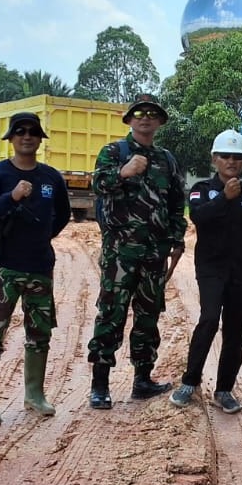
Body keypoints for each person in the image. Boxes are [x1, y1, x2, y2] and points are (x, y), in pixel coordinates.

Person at [86, 93, 187, 409]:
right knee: (111, 314)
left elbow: (175, 203)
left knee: (149, 317)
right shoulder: (114, 152)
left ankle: (142, 380)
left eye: (152, 113)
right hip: (120, 253)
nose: (145, 117)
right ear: (129, 119)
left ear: (159, 121)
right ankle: (100, 386)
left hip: (154, 254)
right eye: (139, 113)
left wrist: (177, 240)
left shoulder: (166, 159)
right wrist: (123, 172)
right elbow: (98, 185)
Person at [0, 112, 72, 423]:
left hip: (40, 266)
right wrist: (11, 197)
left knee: (39, 333)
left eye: (32, 132)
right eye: (20, 132)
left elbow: (63, 215)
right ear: (11, 138)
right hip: (5, 267)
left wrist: (42, 236)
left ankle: (34, 395)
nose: (27, 137)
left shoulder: (51, 178)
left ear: (40, 139)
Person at [171, 130, 242, 414]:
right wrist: (223, 198)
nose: (231, 161)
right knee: (208, 320)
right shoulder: (201, 189)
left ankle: (224, 389)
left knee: (236, 330)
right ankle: (189, 382)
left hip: (241, 271)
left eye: (237, 157)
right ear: (214, 159)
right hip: (211, 268)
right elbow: (198, 216)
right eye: (225, 156)